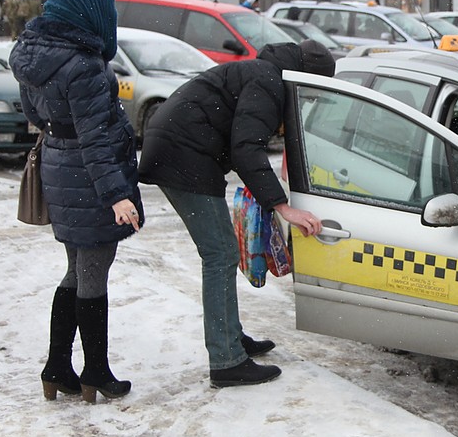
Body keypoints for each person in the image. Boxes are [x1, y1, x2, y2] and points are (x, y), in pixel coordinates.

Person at [137, 39, 333, 388]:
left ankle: (231, 337)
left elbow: (241, 139)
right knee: (220, 254)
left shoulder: (265, 74)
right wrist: (281, 205)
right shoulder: (269, 82)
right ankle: (226, 360)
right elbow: (247, 147)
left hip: (180, 150)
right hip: (182, 157)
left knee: (222, 252)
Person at [9, 0, 144, 405]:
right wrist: (116, 195)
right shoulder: (82, 64)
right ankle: (95, 373)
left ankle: (58, 367)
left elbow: (41, 117)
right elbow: (95, 137)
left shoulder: (33, 52)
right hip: (89, 179)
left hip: (59, 168)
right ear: (89, 9)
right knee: (93, 273)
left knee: (76, 270)